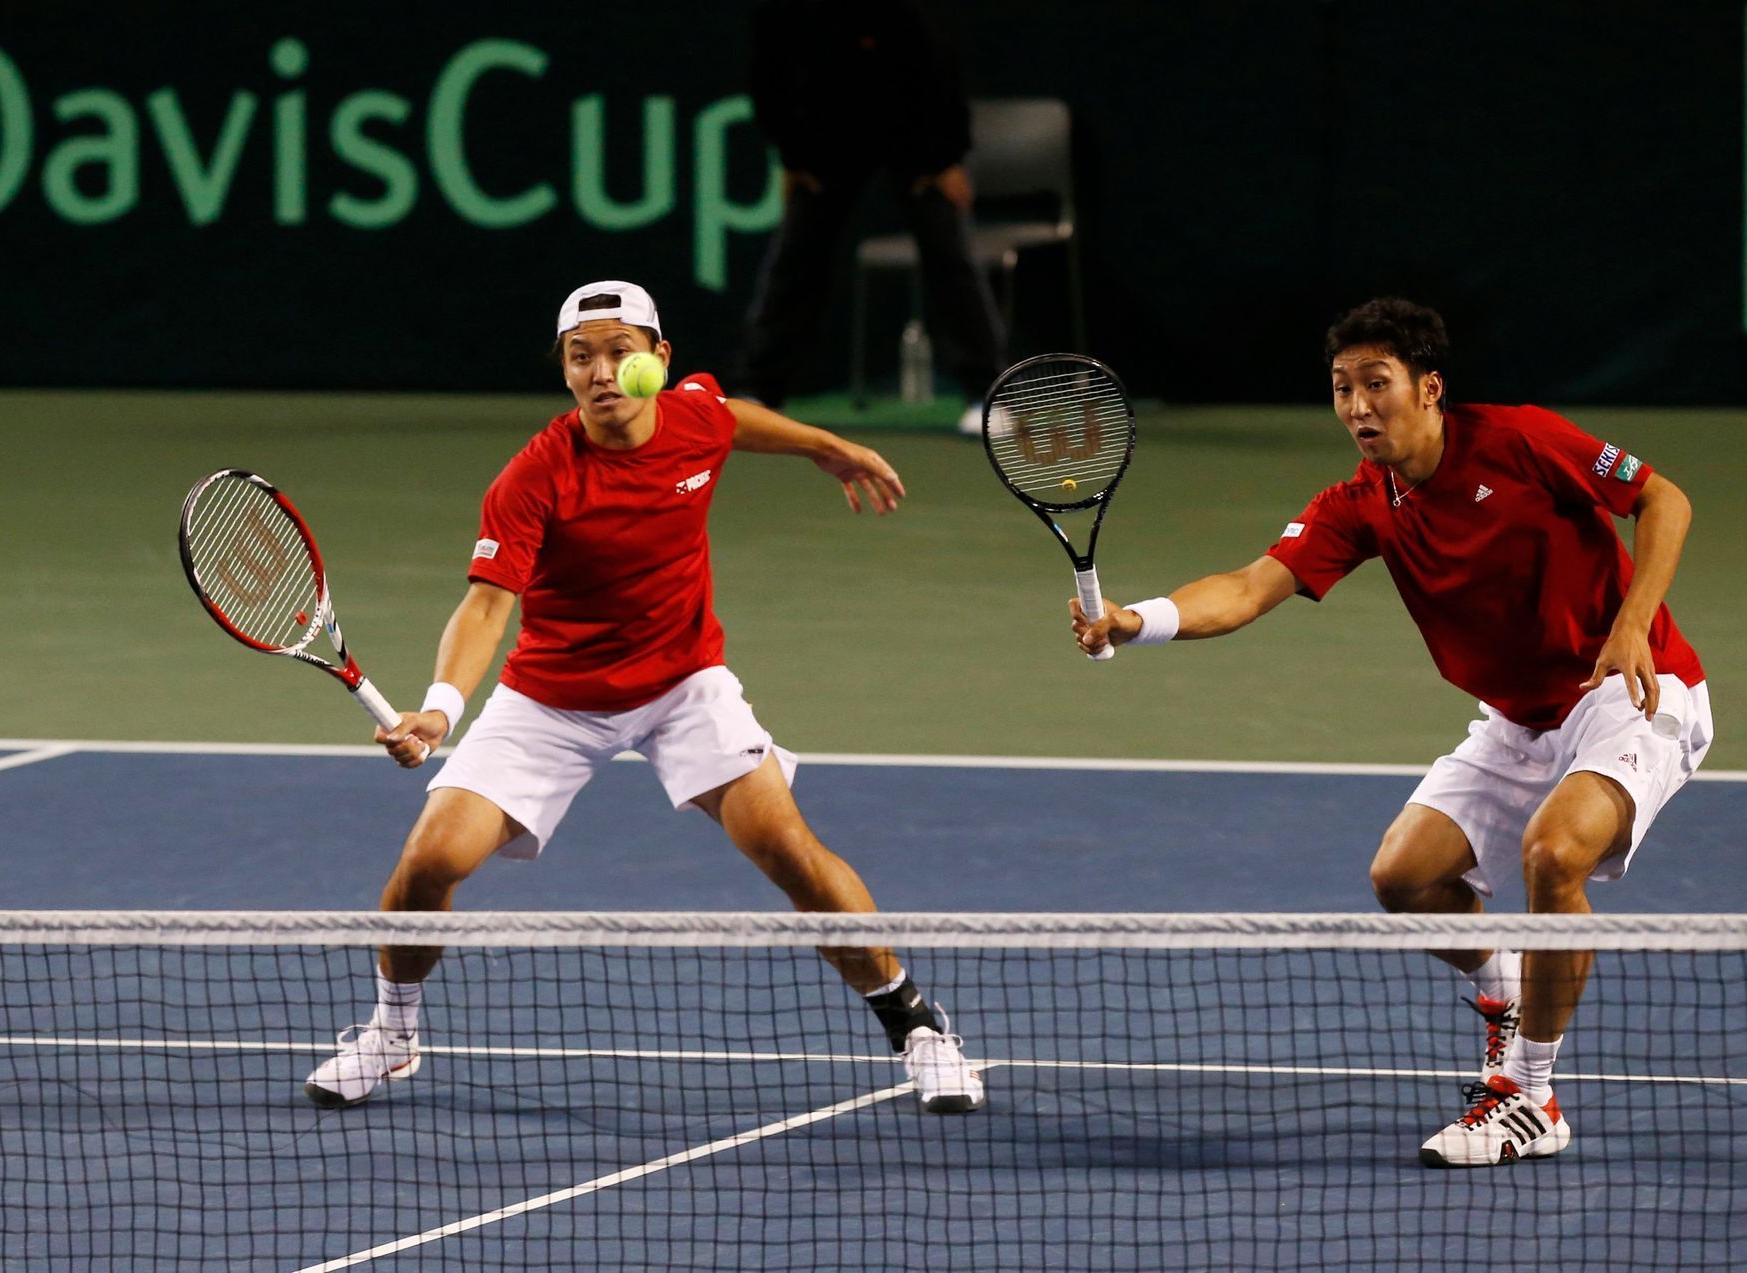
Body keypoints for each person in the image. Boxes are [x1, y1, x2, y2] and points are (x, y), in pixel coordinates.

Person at [303, 280, 985, 1115]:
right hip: (552, 695)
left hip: (681, 681)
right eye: (580, 355)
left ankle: (917, 1029)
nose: (600, 369)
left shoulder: (692, 416)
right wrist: (441, 706)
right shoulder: (534, 476)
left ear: (657, 361)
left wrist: (823, 446)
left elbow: (732, 415)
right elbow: (487, 601)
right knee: (428, 864)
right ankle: (392, 1032)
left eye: (619, 349)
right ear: (564, 371)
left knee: (789, 851)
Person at [1073, 297, 1711, 1168]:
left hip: (1627, 688)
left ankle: (1529, 1094)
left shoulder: (1520, 439)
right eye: (1342, 389)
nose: (1358, 408)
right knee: (1403, 877)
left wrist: (1633, 619)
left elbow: (1662, 498)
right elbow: (1250, 585)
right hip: (1516, 717)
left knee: (1554, 857)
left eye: (1377, 385)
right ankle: (1508, 997)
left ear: (1430, 388)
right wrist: (1134, 620)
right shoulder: (1360, 504)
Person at [736, 0, 1007, 433]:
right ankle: (758, 393)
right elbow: (770, 69)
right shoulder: (783, 12)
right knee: (796, 258)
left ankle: (987, 394)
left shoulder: (907, 18)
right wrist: (793, 153)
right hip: (826, 133)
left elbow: (937, 63)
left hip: (916, 132)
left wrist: (944, 157)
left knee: (949, 257)